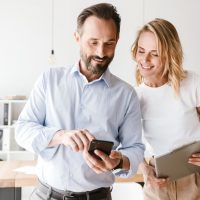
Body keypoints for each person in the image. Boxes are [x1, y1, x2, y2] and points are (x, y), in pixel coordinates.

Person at [15, 3, 144, 200]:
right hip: (45, 194)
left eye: (109, 43)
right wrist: (60, 136)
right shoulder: (50, 80)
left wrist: (118, 163)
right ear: (77, 38)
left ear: (117, 41)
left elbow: (135, 149)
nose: (101, 52)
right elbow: (22, 130)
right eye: (93, 42)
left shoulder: (126, 95)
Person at [131, 18, 200, 200]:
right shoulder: (134, 97)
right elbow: (129, 146)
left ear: (169, 54)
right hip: (157, 181)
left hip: (195, 176)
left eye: (154, 53)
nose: (144, 59)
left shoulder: (192, 83)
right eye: (141, 51)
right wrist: (145, 171)